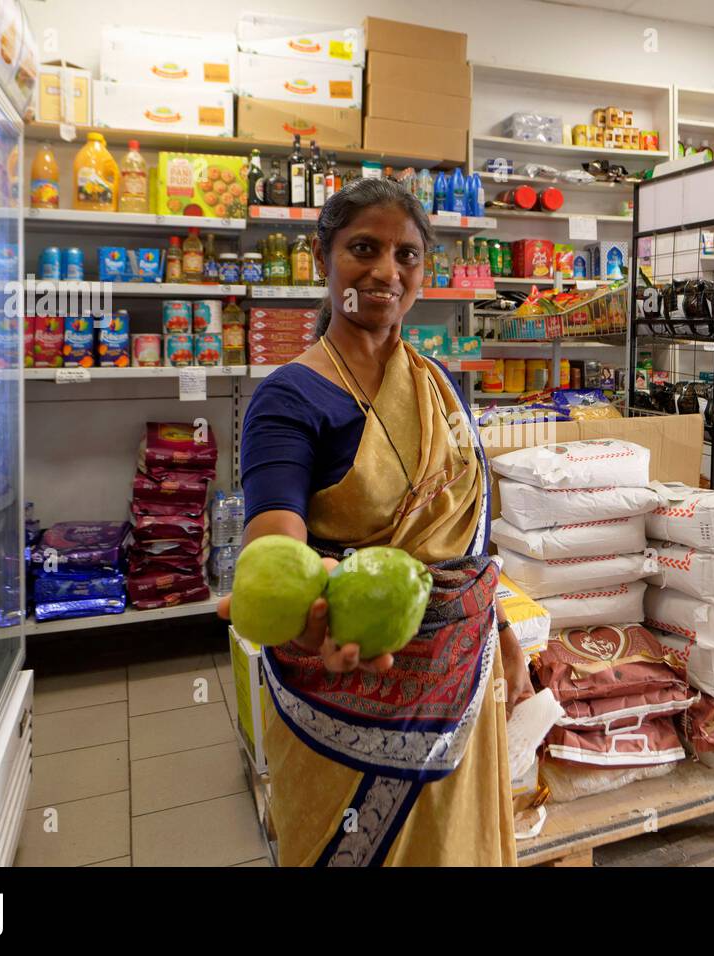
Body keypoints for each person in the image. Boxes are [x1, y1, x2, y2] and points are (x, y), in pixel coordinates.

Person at [221, 177, 534, 866]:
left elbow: (465, 542)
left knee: (459, 846)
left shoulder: (440, 384)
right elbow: (276, 538)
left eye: (408, 255)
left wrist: (503, 628)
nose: (387, 272)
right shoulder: (289, 398)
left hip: (461, 676)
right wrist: (305, 615)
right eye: (364, 248)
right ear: (321, 258)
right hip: (346, 689)